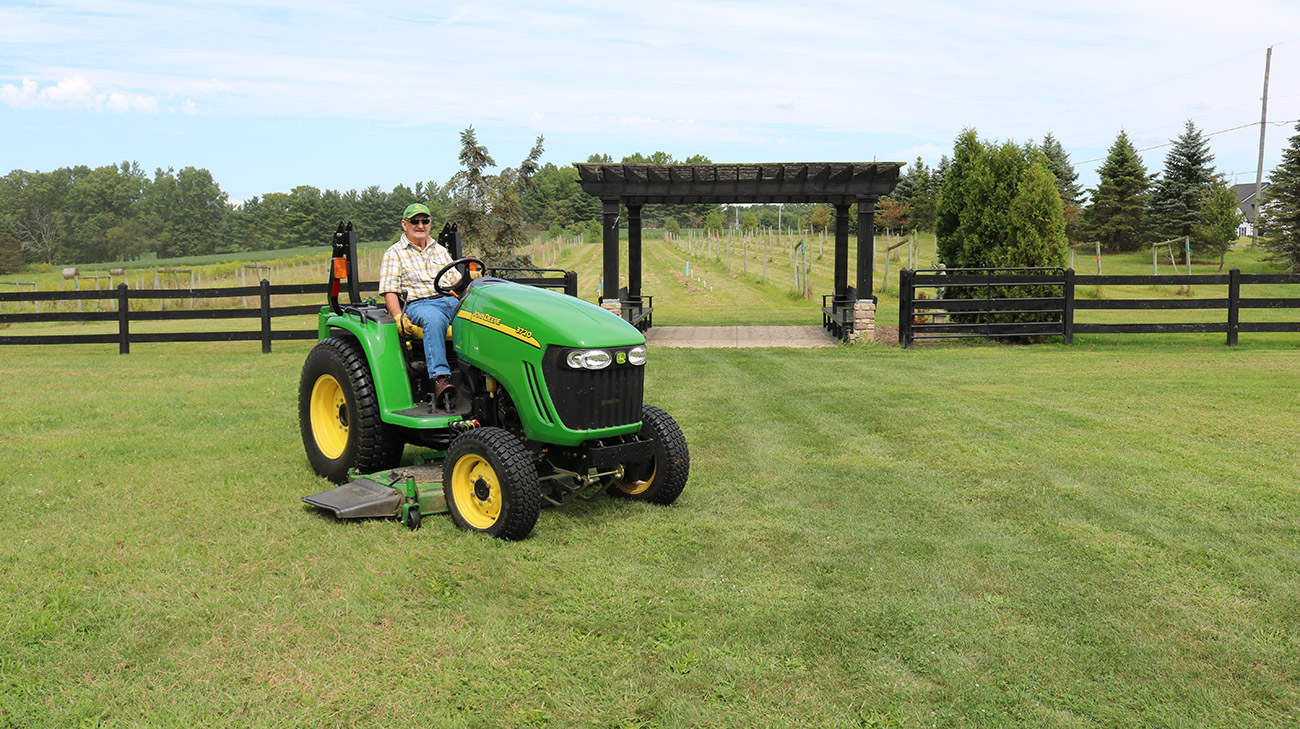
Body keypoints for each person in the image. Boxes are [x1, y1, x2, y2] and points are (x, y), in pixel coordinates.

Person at [378, 203, 461, 405]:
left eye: (425, 221)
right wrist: (398, 317)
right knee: (433, 320)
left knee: (483, 317)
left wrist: (470, 277)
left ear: (430, 223)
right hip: (421, 304)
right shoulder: (394, 253)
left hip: (450, 299)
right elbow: (390, 290)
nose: (420, 225)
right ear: (404, 224)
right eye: (415, 221)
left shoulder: (440, 250)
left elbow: (455, 281)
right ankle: (440, 379)